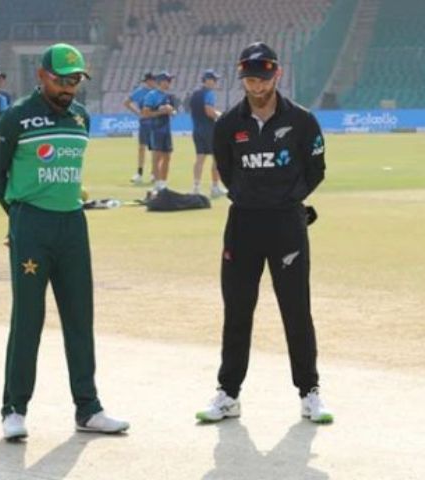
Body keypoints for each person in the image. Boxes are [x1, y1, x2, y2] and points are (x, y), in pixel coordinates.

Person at [0, 43, 130, 441]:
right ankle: (14, 408)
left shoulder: (82, 117)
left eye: (74, 80)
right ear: (41, 76)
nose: (68, 88)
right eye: (60, 79)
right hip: (31, 225)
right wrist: (17, 219)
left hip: (73, 226)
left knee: (81, 318)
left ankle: (88, 408)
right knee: (28, 319)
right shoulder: (15, 118)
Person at [196, 42, 332, 424]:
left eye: (263, 79)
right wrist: (249, 197)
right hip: (243, 225)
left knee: (296, 310)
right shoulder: (228, 125)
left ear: (277, 74)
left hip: (288, 225)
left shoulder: (302, 121)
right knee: (237, 310)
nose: (257, 87)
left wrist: (287, 199)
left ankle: (309, 392)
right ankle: (228, 394)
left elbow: (316, 169)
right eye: (251, 79)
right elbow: (225, 169)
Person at [189, 68, 227, 197]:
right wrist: (220, 115)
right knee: (216, 158)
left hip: (197, 129)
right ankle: (215, 187)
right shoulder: (209, 94)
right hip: (209, 130)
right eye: (214, 80)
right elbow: (209, 111)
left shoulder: (195, 94)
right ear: (208, 80)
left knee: (200, 158)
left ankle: (196, 187)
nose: (216, 82)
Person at [141, 71, 177, 191]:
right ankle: (157, 182)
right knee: (157, 156)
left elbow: (173, 112)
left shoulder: (168, 96)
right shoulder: (152, 95)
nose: (169, 83)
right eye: (168, 81)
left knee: (167, 156)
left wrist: (171, 111)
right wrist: (161, 111)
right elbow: (145, 113)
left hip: (166, 129)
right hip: (155, 129)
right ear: (161, 82)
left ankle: (163, 182)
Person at [123, 72, 157, 184]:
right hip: (145, 123)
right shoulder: (140, 92)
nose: (154, 82)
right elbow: (127, 102)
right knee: (142, 148)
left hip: (155, 123)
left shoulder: (156, 93)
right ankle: (139, 173)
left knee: (154, 149)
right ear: (148, 81)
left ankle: (153, 173)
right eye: (152, 80)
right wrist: (138, 113)